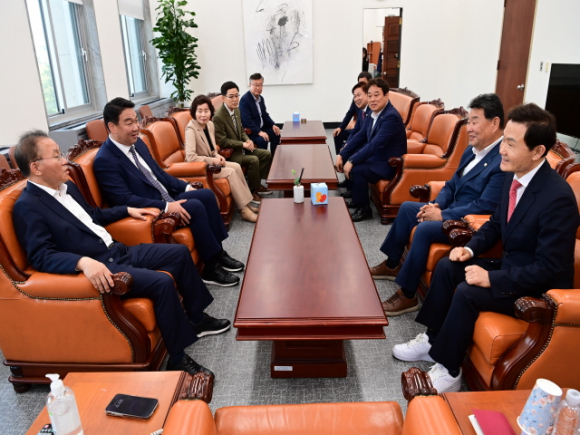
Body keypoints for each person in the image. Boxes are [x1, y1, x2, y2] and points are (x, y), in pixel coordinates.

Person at [392, 103, 579, 394]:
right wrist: (469, 249)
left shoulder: (558, 198)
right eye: (504, 140)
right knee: (448, 266)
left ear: (538, 151)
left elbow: (549, 269)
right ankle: (432, 340)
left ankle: (449, 371)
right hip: (512, 266)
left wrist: (491, 278)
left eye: (511, 144)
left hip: (537, 287)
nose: (501, 150)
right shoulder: (513, 175)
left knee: (468, 292)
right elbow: (495, 224)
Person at [12, 131, 230, 377]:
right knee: (161, 282)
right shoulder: (27, 207)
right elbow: (41, 256)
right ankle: (178, 359)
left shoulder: (67, 187)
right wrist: (82, 262)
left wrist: (128, 209)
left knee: (178, 254)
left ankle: (197, 319)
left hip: (117, 250)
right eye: (56, 156)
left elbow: (93, 216)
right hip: (102, 266)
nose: (65, 161)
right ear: (36, 167)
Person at [372, 94, 507, 316]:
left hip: (467, 223)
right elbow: (451, 184)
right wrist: (436, 205)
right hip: (449, 209)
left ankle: (408, 295)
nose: (469, 128)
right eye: (469, 122)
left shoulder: (501, 160)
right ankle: (392, 263)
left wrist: (443, 215)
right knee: (407, 209)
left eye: (475, 122)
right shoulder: (471, 150)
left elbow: (485, 206)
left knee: (425, 229)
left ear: (495, 123)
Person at [93, 97, 243, 288]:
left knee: (205, 195)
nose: (136, 127)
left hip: (166, 196)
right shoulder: (105, 160)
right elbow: (123, 200)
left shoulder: (138, 143)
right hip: (152, 207)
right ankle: (210, 268)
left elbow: (159, 174)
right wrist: (165, 206)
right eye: (129, 123)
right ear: (112, 127)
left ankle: (218, 253)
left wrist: (185, 187)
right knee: (195, 206)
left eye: (136, 121)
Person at [335, 78, 407, 222]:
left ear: (386, 95)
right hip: (377, 157)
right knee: (352, 158)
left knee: (357, 169)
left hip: (388, 163)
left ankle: (364, 209)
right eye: (370, 95)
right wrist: (342, 154)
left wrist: (352, 160)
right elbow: (361, 135)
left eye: (376, 95)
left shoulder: (391, 117)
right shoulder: (372, 113)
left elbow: (375, 145)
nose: (372, 99)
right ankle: (357, 199)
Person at [185, 95, 259, 223]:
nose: (203, 115)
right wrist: (213, 160)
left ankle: (247, 203)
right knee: (230, 172)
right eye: (199, 111)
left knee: (236, 166)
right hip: (199, 168)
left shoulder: (210, 125)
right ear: (194, 112)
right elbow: (191, 157)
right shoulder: (190, 129)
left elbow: (212, 149)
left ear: (211, 112)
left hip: (211, 163)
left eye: (206, 111)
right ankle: (244, 211)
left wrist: (218, 156)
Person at [213, 81, 272, 202]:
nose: (235, 99)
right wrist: (242, 144)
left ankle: (256, 184)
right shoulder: (218, 116)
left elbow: (241, 130)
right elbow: (222, 141)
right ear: (223, 98)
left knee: (266, 154)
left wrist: (247, 140)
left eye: (237, 95)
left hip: (242, 148)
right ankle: (252, 190)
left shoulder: (236, 110)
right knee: (254, 160)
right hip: (232, 153)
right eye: (231, 96)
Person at [239, 73, 281, 156]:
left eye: (260, 85)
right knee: (263, 139)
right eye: (255, 85)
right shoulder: (244, 100)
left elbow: (265, 115)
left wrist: (273, 125)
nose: (258, 88)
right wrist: (259, 132)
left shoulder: (261, 98)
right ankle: (263, 162)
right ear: (250, 85)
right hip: (251, 132)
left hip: (261, 128)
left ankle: (274, 159)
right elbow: (246, 120)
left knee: (276, 134)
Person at [333, 72, 372, 156]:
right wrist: (340, 127)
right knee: (338, 134)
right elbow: (350, 113)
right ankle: (339, 156)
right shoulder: (358, 102)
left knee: (348, 149)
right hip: (359, 131)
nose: (356, 98)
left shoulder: (373, 107)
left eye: (363, 83)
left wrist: (347, 146)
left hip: (365, 137)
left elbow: (363, 134)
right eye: (359, 83)